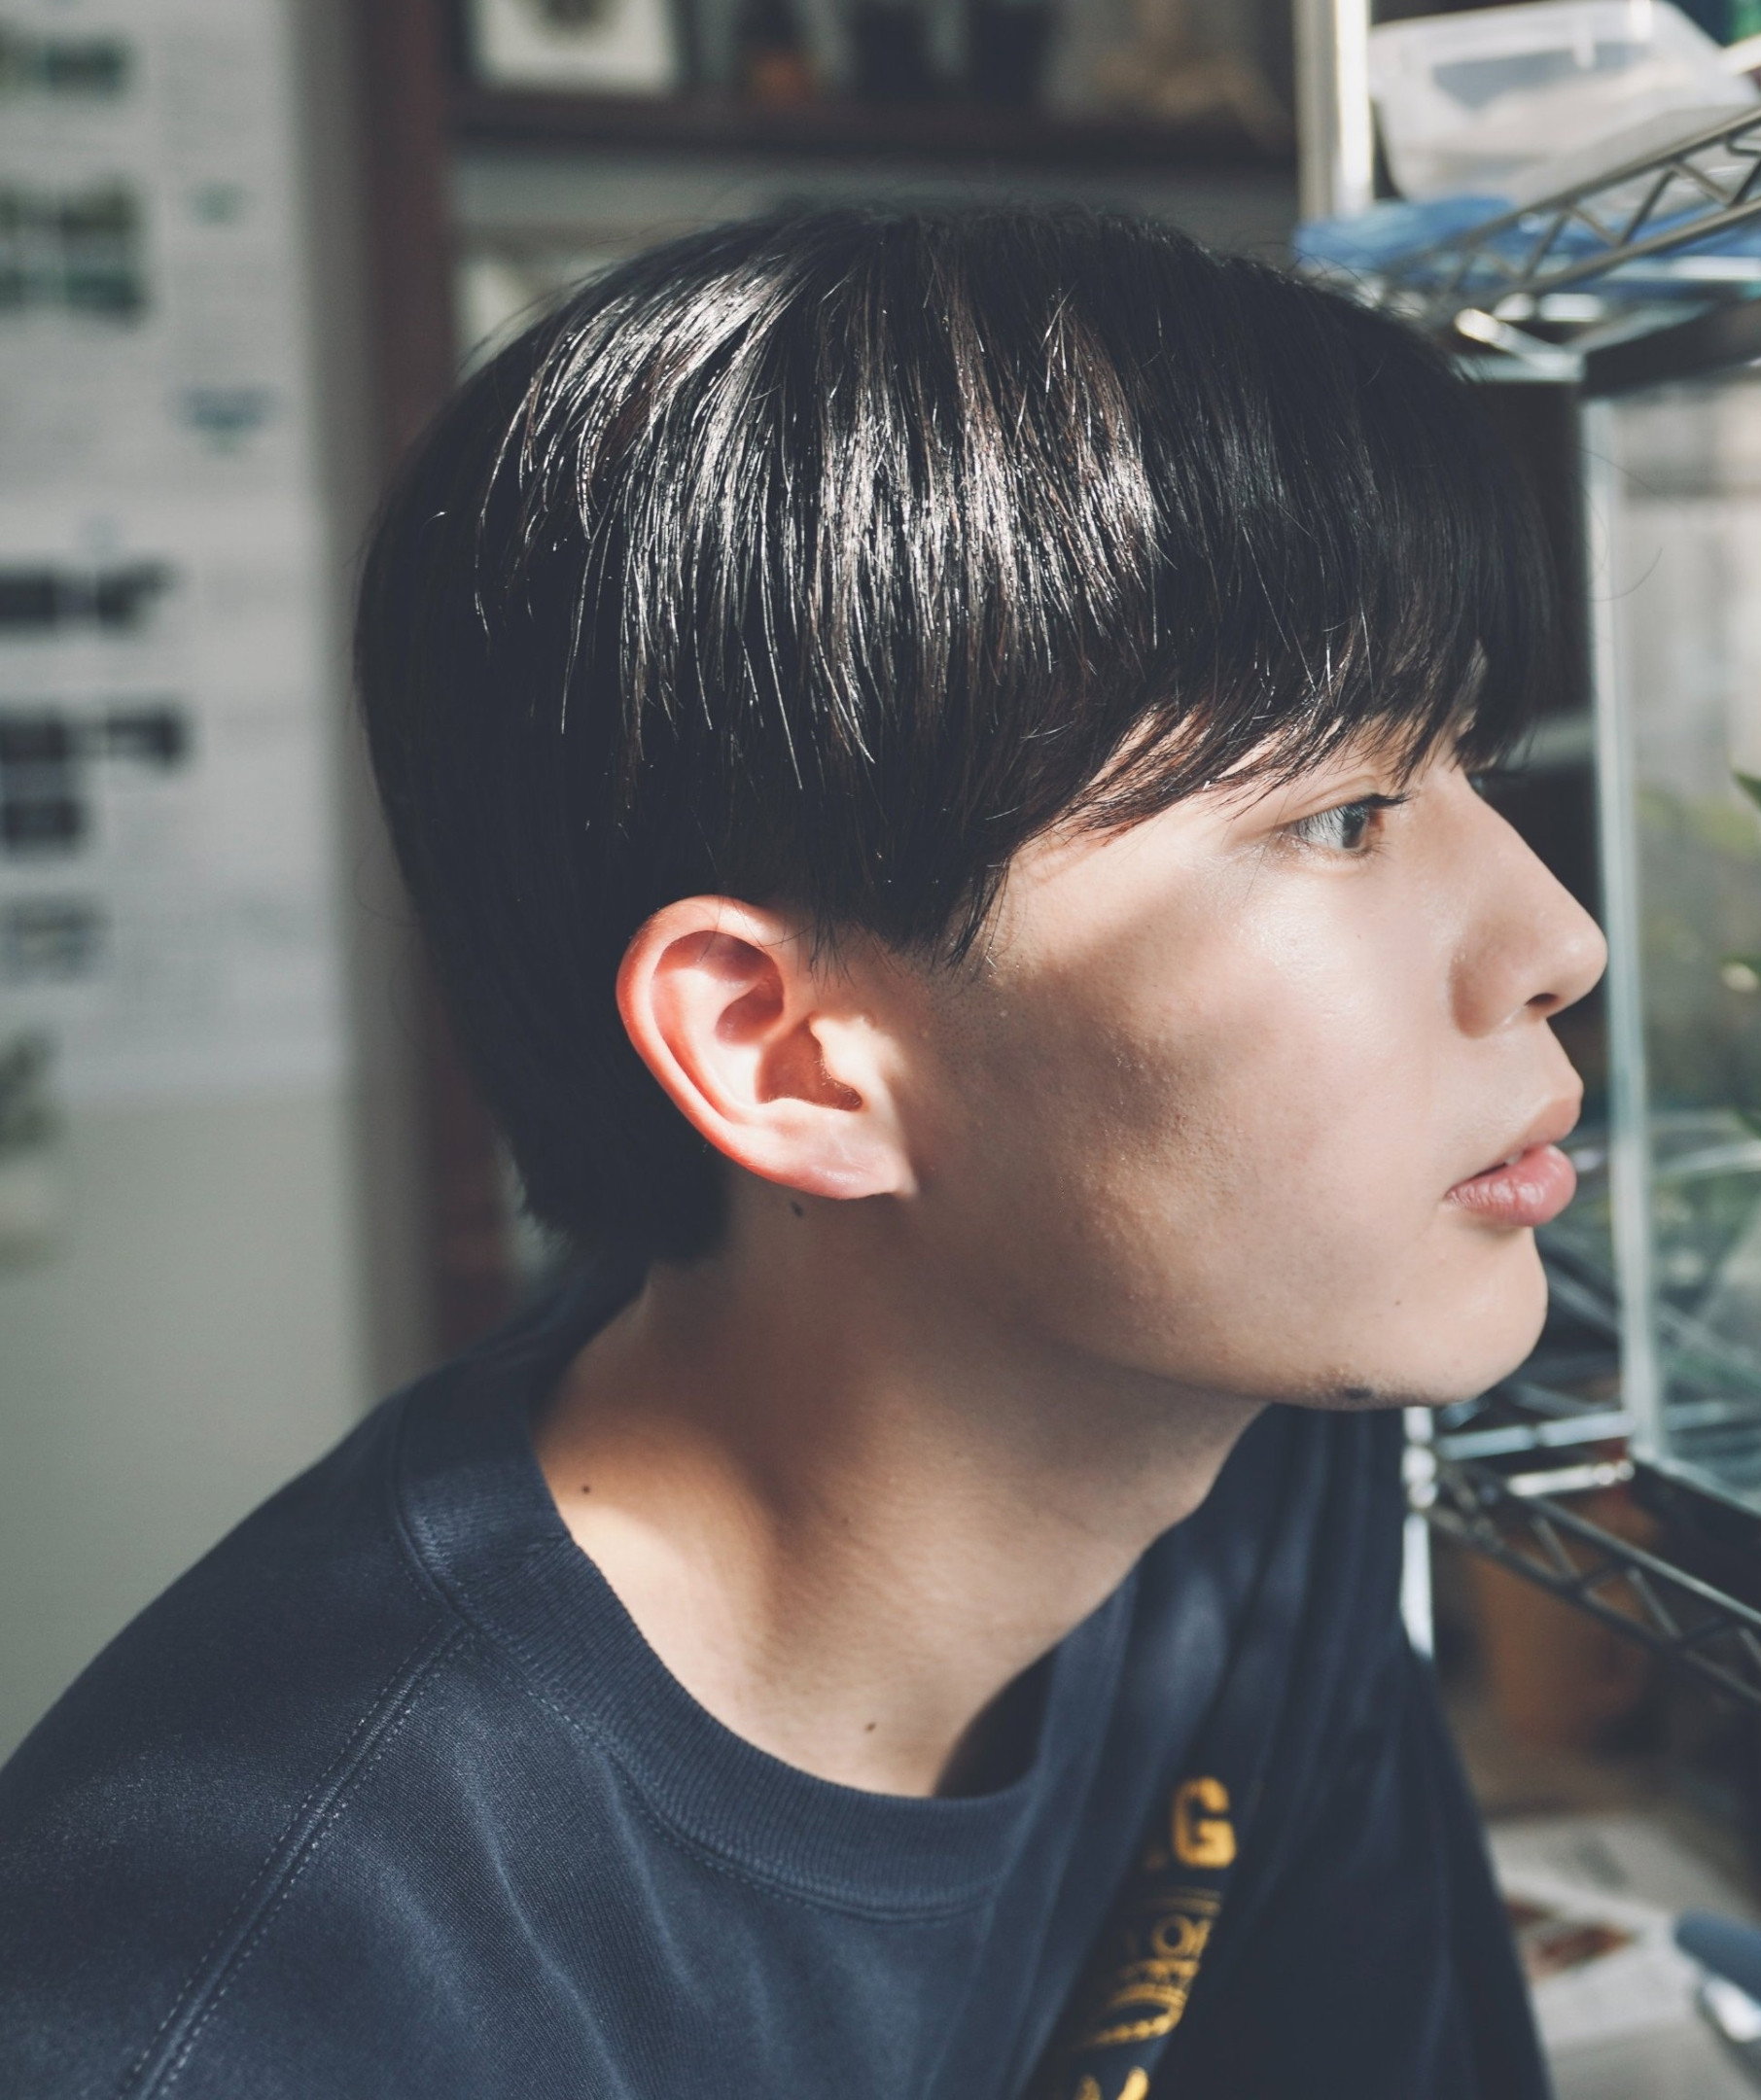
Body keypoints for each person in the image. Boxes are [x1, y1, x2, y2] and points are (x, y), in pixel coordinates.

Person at [0, 205, 1599, 2098]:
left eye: (1472, 764)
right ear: (787, 1055)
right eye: (1339, 817)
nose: (1558, 940)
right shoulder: (273, 1994)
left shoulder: (1244, 1460)